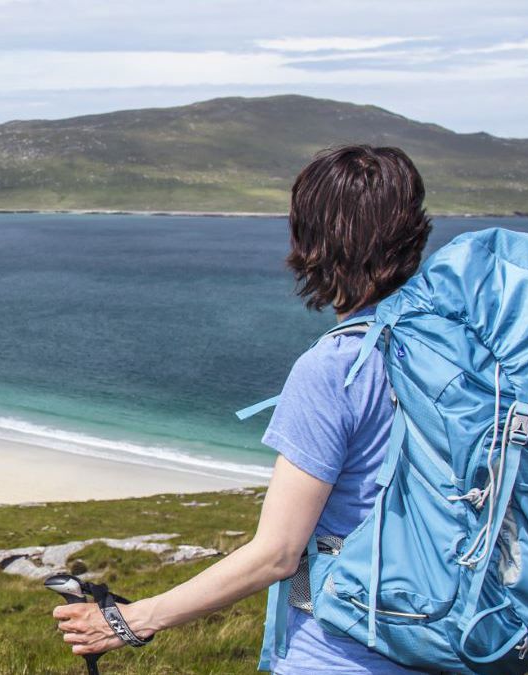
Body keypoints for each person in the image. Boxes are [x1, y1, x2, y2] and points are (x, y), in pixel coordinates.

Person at [52, 145, 434, 674]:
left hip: (343, 653)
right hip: (457, 642)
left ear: (313, 239)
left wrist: (131, 620)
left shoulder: (336, 367)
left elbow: (277, 553)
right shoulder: (469, 358)